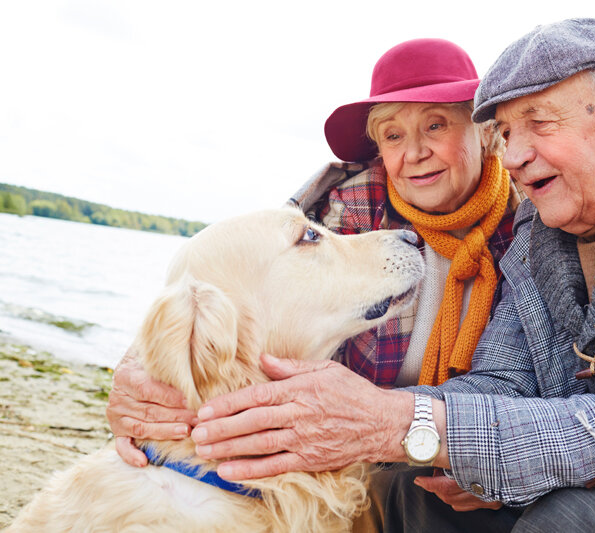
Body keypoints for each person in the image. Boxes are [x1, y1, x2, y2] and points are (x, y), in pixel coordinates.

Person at [186, 18, 595, 531]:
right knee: (409, 493)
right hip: (569, 451)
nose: (517, 153)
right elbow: (502, 379)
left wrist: (407, 425)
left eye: (538, 123)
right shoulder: (529, 230)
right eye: (508, 131)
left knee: (569, 518)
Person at [105, 38, 518, 519]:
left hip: (472, 446)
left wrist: (489, 457)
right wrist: (136, 380)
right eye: (392, 135)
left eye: (435, 124)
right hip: (357, 459)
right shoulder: (333, 212)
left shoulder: (533, 225)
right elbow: (229, 289)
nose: (415, 152)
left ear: (484, 131)